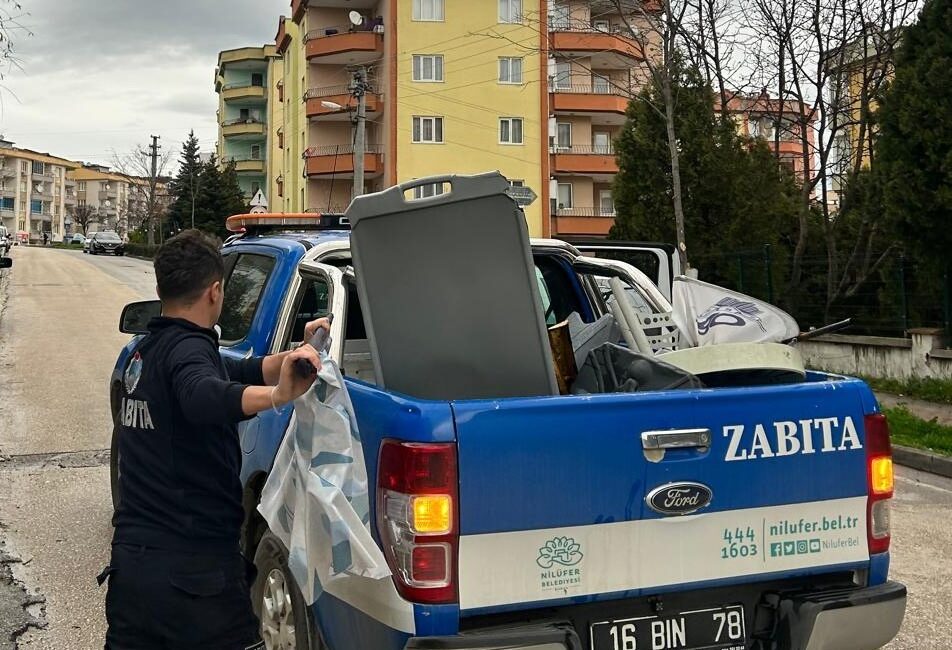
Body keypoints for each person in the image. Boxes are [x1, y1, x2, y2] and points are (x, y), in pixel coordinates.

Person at [101, 229, 328, 649]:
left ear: (161, 288)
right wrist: (279, 396)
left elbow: (243, 371)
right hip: (192, 579)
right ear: (215, 290)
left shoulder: (146, 352)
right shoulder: (188, 354)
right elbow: (204, 394)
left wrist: (301, 352)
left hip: (133, 573)